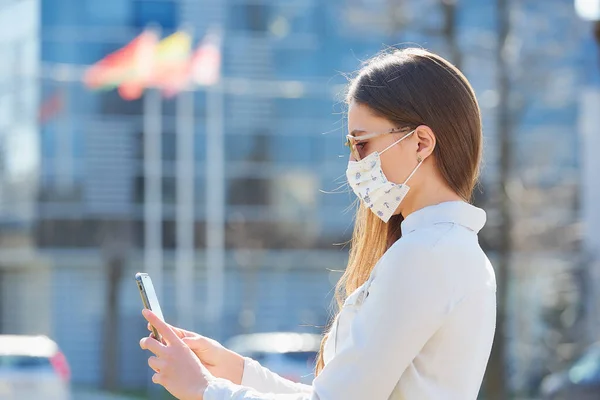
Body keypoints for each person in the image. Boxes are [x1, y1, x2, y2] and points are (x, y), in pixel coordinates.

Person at [139, 47, 497, 400]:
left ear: (421, 142)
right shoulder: (449, 250)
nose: (355, 164)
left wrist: (205, 390)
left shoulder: (425, 255)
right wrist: (231, 369)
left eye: (362, 144)